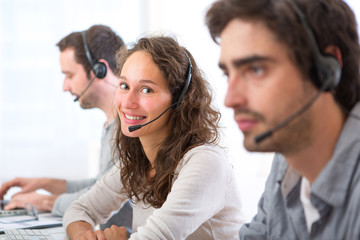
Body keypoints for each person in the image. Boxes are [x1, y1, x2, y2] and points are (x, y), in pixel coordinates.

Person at [62, 35, 244, 240]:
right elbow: (79, 210)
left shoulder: (205, 163)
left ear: (180, 101)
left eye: (146, 90)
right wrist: (84, 238)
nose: (128, 102)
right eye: (124, 86)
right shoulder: (137, 161)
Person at [206, 0, 360, 239]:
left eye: (256, 69)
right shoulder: (288, 160)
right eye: (228, 73)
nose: (230, 99)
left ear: (327, 71)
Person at [0, 25, 132, 230]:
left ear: (100, 70)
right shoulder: (111, 124)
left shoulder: (129, 127)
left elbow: (105, 197)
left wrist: (43, 201)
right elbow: (101, 184)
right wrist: (43, 183)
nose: (65, 87)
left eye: (69, 75)